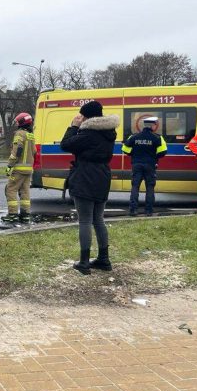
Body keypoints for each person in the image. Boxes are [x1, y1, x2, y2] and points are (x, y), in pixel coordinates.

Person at [60, 101, 120, 275]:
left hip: (85, 176)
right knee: (98, 219)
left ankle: (84, 262)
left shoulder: (88, 134)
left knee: (85, 220)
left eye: (83, 115)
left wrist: (73, 126)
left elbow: (65, 145)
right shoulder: (109, 132)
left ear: (87, 116)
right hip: (102, 176)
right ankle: (103, 259)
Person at [122, 116, 167, 216]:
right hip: (150, 165)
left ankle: (133, 210)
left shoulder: (134, 136)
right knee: (150, 187)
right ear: (153, 125)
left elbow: (125, 149)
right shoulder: (158, 138)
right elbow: (163, 152)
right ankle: (149, 211)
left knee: (135, 187)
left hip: (136, 164)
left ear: (144, 125)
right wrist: (154, 156)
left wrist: (134, 154)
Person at [2, 112, 36, 223]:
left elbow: (17, 151)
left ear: (21, 122)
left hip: (18, 169)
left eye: (18, 122)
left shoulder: (19, 134)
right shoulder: (30, 135)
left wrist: (9, 166)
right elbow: (34, 151)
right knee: (25, 191)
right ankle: (25, 214)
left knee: (10, 189)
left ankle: (12, 214)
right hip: (28, 169)